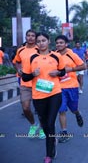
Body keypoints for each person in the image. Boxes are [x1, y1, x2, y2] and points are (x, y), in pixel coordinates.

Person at [21, 32, 66, 163]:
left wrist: (58, 72)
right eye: (39, 41)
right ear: (36, 43)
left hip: (54, 93)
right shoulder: (32, 57)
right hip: (38, 95)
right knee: (45, 124)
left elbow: (62, 72)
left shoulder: (56, 56)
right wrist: (33, 74)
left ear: (48, 41)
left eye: (43, 40)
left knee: (51, 122)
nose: (41, 43)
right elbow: (25, 77)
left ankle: (49, 154)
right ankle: (52, 140)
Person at [12, 29, 46, 139]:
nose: (30, 37)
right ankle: (32, 125)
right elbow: (16, 61)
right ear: (26, 37)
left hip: (39, 83)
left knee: (40, 109)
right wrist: (18, 69)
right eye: (28, 35)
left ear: (35, 38)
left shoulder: (40, 49)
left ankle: (42, 128)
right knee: (26, 108)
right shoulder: (20, 50)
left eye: (33, 36)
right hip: (25, 83)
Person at [55, 35, 86, 143]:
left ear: (66, 44)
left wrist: (71, 69)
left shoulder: (72, 55)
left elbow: (83, 66)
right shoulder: (54, 55)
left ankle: (77, 113)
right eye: (57, 43)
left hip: (72, 86)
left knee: (73, 108)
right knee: (61, 110)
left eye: (61, 42)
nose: (59, 44)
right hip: (58, 88)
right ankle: (64, 132)